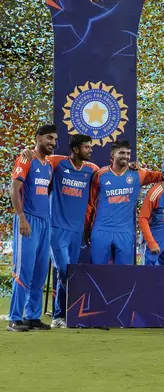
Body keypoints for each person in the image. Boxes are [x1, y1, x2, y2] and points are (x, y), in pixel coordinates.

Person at [8, 124, 57, 332]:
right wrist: (21, 217)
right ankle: (15, 318)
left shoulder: (49, 165)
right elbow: (14, 189)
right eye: (48, 138)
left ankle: (32, 316)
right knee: (23, 270)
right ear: (37, 138)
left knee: (39, 273)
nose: (52, 142)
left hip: (45, 222)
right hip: (27, 220)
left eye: (54, 139)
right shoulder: (25, 159)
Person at [47, 135, 98, 328]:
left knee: (71, 272)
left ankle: (65, 315)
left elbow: (109, 174)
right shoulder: (58, 163)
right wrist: (28, 154)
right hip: (57, 228)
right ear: (76, 149)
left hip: (77, 231)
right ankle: (62, 314)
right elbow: (38, 158)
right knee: (63, 270)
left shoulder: (91, 170)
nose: (90, 150)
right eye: (87, 147)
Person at [85, 140, 163, 265]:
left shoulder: (138, 174)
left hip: (125, 232)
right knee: (98, 272)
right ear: (112, 154)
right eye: (122, 153)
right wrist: (87, 228)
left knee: (124, 274)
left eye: (128, 153)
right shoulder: (100, 175)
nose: (126, 156)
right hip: (101, 230)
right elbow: (91, 204)